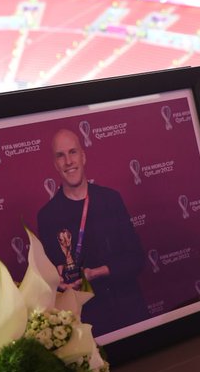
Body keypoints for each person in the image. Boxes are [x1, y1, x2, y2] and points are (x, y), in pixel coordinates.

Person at [37, 129, 147, 336]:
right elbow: (49, 278)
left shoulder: (111, 199)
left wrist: (97, 272)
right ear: (55, 164)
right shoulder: (47, 216)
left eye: (73, 152)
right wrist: (56, 280)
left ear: (83, 156)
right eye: (61, 155)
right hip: (87, 324)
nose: (68, 161)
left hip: (129, 309)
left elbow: (137, 259)